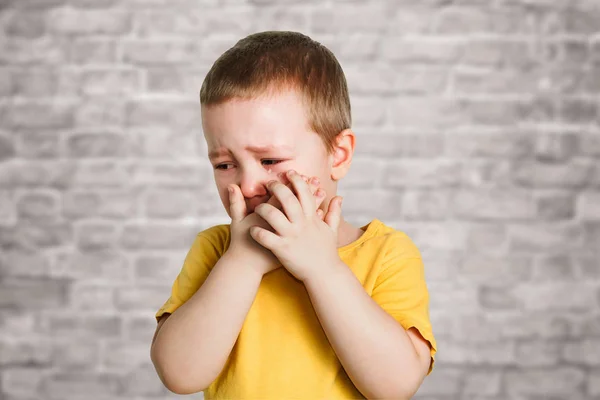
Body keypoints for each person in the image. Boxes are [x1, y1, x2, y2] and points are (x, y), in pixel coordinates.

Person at [150, 30, 437, 399]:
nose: (249, 183)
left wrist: (323, 269)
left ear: (338, 154)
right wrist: (242, 263)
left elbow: (395, 386)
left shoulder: (387, 254)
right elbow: (180, 375)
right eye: (224, 164)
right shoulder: (217, 250)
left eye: (270, 160)